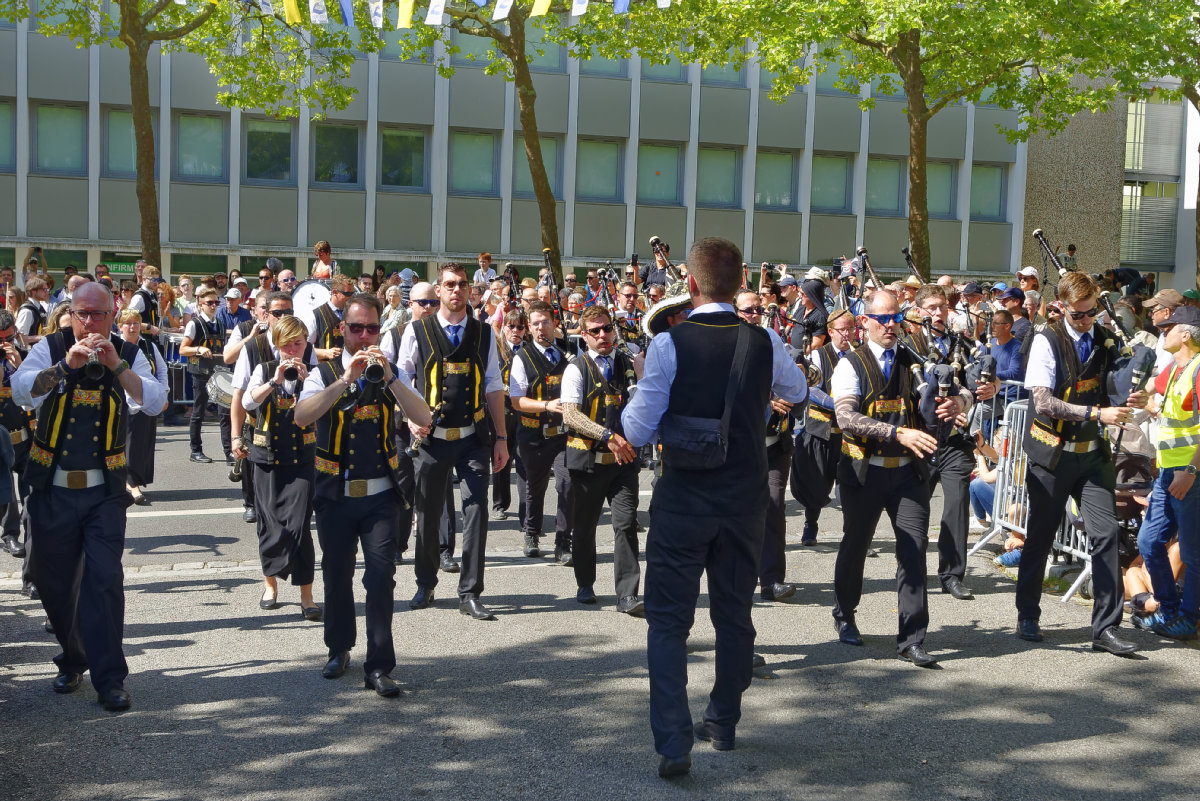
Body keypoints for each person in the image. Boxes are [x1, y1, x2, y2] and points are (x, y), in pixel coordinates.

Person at [621, 237, 807, 779]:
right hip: (743, 499)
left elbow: (636, 429)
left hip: (683, 499)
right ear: (742, 281)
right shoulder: (765, 339)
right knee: (734, 615)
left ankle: (673, 742)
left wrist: (645, 383)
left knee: (668, 623)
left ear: (690, 283)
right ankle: (723, 721)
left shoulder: (668, 344)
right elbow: (796, 390)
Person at [12, 282, 166, 712]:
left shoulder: (129, 352)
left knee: (104, 580)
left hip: (104, 492)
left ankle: (110, 678)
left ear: (113, 315)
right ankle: (73, 656)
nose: (90, 322)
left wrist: (117, 365)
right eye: (83, 313)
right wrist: (65, 366)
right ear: (72, 313)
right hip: (52, 488)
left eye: (99, 314)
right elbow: (22, 389)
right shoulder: (52, 346)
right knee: (54, 584)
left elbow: (155, 402)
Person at [294, 294, 432, 696]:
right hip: (335, 494)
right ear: (343, 329)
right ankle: (338, 648)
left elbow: (424, 416)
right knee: (337, 574)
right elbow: (301, 416)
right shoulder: (322, 372)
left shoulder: (388, 372)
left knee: (381, 577)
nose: (365, 335)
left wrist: (390, 378)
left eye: (372, 328)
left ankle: (380, 665)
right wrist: (344, 380)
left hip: (380, 495)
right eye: (357, 328)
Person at [831, 290, 968, 668]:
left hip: (908, 474)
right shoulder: (850, 364)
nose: (891, 326)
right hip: (864, 472)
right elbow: (846, 418)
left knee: (913, 550)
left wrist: (958, 403)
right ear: (865, 322)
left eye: (896, 318)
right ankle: (845, 614)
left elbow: (962, 391)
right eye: (883, 319)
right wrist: (897, 433)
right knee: (856, 545)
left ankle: (911, 639)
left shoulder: (916, 361)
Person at [1018, 271, 1146, 654]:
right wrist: (1097, 414)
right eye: (1078, 314)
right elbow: (1043, 402)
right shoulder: (1046, 340)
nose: (1086, 320)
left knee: (1106, 536)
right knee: (1040, 536)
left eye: (1092, 313)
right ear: (1062, 307)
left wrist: (1132, 398)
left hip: (1092, 456)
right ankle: (1028, 614)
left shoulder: (1105, 338)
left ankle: (1106, 628)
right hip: (1051, 455)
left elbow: (1114, 389)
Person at [399, 263, 509, 621]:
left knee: (476, 512)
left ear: (470, 290)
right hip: (431, 439)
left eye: (462, 284)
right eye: (449, 285)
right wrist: (410, 417)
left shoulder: (484, 332)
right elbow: (402, 378)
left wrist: (501, 437)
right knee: (428, 513)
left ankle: (470, 592)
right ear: (438, 290)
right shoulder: (416, 330)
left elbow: (493, 384)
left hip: (472, 438)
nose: (457, 290)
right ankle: (425, 582)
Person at [561, 304, 644, 611]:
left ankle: (627, 594)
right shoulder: (575, 368)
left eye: (607, 328)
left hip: (623, 464)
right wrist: (608, 436)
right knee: (585, 527)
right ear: (584, 336)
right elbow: (571, 415)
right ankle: (585, 582)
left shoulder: (628, 362)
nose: (602, 335)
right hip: (587, 462)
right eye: (594, 331)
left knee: (626, 524)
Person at [241, 315, 321, 622]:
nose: (292, 351)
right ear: (277, 345)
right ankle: (270, 585)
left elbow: (326, 408)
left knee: (299, 525)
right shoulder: (264, 369)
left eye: (298, 344)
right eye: (286, 345)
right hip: (267, 457)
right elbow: (247, 402)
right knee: (269, 524)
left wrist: (306, 381)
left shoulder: (314, 372)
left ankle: (307, 596)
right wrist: (274, 381)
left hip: (302, 458)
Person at [910, 285, 987, 602]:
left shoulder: (961, 343)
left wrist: (962, 402)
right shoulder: (909, 344)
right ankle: (913, 570)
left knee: (956, 507)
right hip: (921, 441)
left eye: (942, 306)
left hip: (955, 443)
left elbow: (976, 387)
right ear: (919, 311)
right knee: (915, 509)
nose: (938, 312)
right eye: (931, 307)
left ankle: (952, 575)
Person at [1132, 305, 1200, 639]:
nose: (1163, 332)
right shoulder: (1174, 368)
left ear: (1185, 334)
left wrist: (1190, 470)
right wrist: (1139, 398)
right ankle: (1169, 611)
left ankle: (1188, 618)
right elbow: (1149, 391)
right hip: (1168, 473)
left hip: (1190, 474)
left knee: (1191, 550)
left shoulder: (1198, 369)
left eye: (1169, 328)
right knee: (1148, 541)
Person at [734, 290, 804, 599]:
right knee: (740, 512)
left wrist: (796, 383)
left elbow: (793, 382)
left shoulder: (772, 339)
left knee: (774, 506)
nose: (754, 315)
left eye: (758, 310)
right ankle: (739, 576)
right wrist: (767, 400)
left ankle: (772, 580)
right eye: (747, 310)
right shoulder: (728, 341)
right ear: (735, 312)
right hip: (742, 446)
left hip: (775, 443)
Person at [509, 301, 574, 561]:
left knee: (567, 484)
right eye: (535, 323)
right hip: (533, 434)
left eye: (545, 322)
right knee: (535, 486)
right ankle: (532, 532)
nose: (540, 328)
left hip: (563, 434)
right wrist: (546, 405)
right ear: (528, 327)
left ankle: (563, 541)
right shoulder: (521, 358)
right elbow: (517, 401)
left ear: (554, 323)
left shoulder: (568, 352)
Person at [790, 307, 858, 545]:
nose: (847, 334)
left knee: (850, 485)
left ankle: (853, 534)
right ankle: (811, 524)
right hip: (821, 431)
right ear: (831, 331)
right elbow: (812, 390)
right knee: (816, 483)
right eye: (842, 330)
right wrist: (839, 406)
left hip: (850, 433)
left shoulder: (860, 355)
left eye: (851, 329)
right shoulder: (819, 356)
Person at [116, 309, 169, 506]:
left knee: (143, 443)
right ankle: (131, 484)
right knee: (129, 443)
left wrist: (164, 392)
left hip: (147, 399)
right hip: (123, 401)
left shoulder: (148, 345)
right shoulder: (116, 346)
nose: (132, 327)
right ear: (120, 326)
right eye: (128, 323)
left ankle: (135, 480)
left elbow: (161, 369)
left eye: (136, 323)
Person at [0, 310, 34, 597]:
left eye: (9, 338)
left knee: (32, 509)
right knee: (5, 498)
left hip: (23, 440)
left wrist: (20, 367)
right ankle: (9, 534)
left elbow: (35, 398)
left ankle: (31, 578)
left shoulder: (26, 358)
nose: (5, 344)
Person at [179, 287, 228, 464]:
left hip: (218, 371)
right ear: (200, 305)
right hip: (200, 372)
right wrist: (198, 348)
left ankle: (229, 451)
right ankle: (196, 450)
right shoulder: (194, 323)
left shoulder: (220, 323)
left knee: (224, 413)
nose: (213, 306)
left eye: (216, 302)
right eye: (209, 303)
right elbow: (183, 349)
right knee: (198, 411)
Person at [492, 308, 528, 530]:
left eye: (520, 327)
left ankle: (527, 511)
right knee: (501, 460)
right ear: (504, 328)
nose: (515, 331)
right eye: (511, 326)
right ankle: (500, 503)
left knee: (524, 461)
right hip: (502, 410)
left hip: (524, 411)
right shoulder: (496, 349)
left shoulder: (529, 350)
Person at [300, 273, 351, 362]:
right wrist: (325, 353)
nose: (351, 297)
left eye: (353, 293)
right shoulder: (316, 315)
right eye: (347, 293)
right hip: (326, 367)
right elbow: (302, 347)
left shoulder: (352, 313)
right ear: (335, 292)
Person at [127, 266, 164, 337]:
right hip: (141, 338)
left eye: (157, 279)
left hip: (151, 338)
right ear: (144, 279)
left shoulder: (153, 294)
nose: (156, 282)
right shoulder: (139, 297)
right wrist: (149, 327)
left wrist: (167, 329)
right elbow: (128, 319)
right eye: (153, 279)